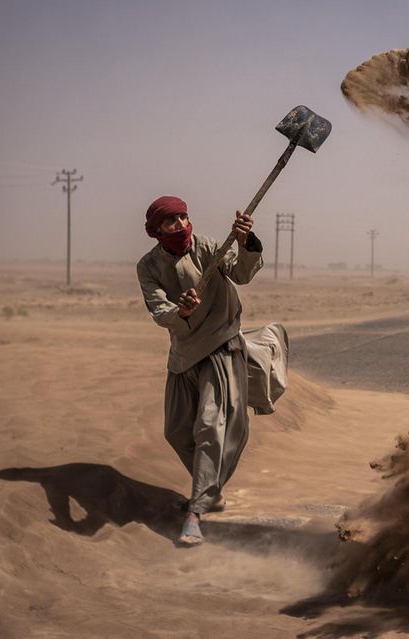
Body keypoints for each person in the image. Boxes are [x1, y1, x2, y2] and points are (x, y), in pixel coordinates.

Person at [136, 195, 263, 546]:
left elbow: (241, 273)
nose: (180, 224)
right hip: (182, 355)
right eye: (171, 220)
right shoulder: (148, 266)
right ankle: (209, 487)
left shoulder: (208, 246)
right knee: (176, 431)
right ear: (156, 230)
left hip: (220, 346)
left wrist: (244, 241)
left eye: (183, 216)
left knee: (210, 425)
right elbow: (160, 312)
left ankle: (196, 509)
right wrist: (183, 312)